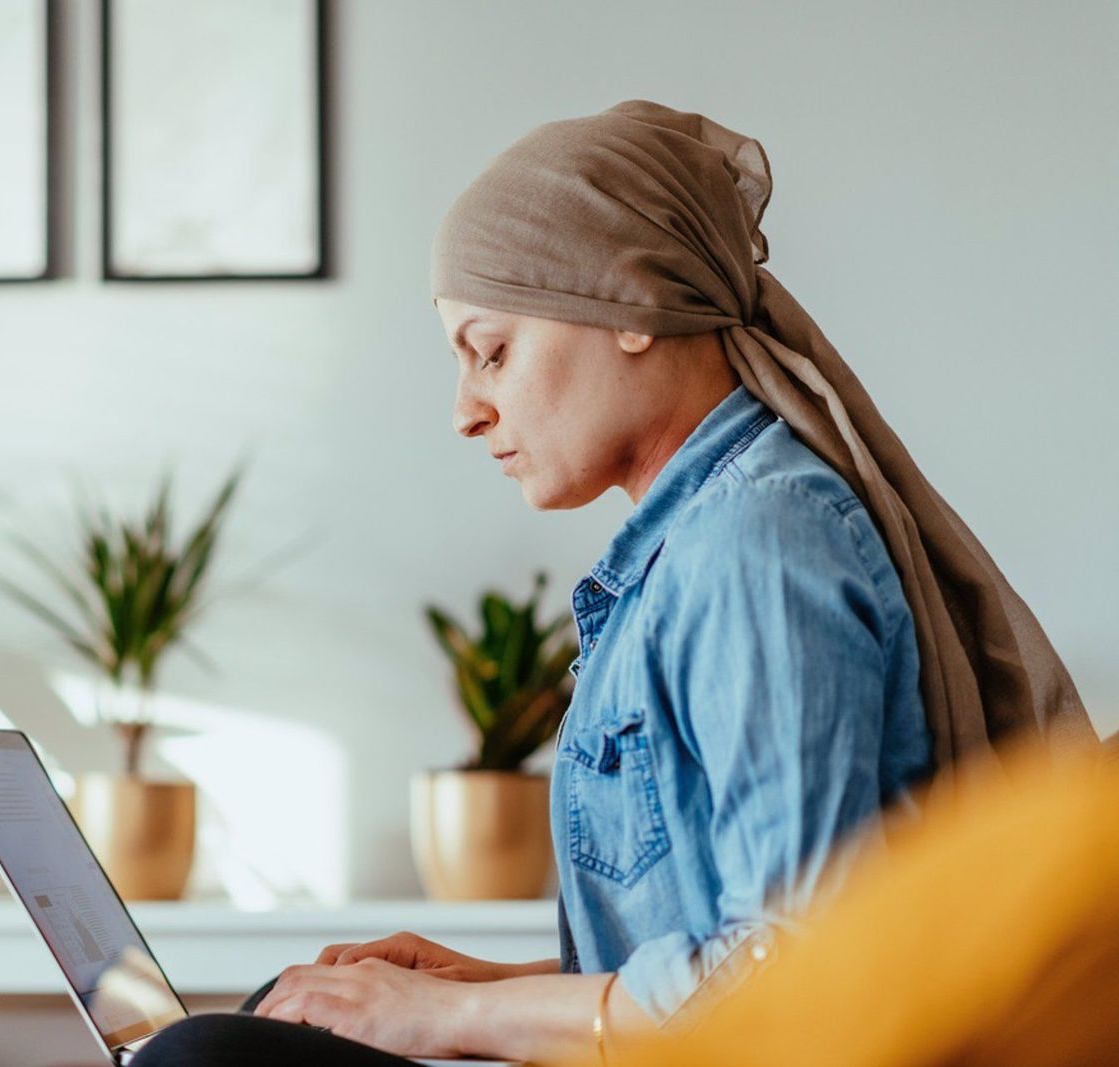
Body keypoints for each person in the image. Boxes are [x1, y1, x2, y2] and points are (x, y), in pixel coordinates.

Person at [130, 99, 1095, 1067]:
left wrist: (453, 1019)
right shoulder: (693, 541)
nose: (468, 410)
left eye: (493, 351)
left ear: (629, 304)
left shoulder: (755, 542)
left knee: (203, 1058)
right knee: (263, 1017)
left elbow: (796, 971)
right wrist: (482, 984)